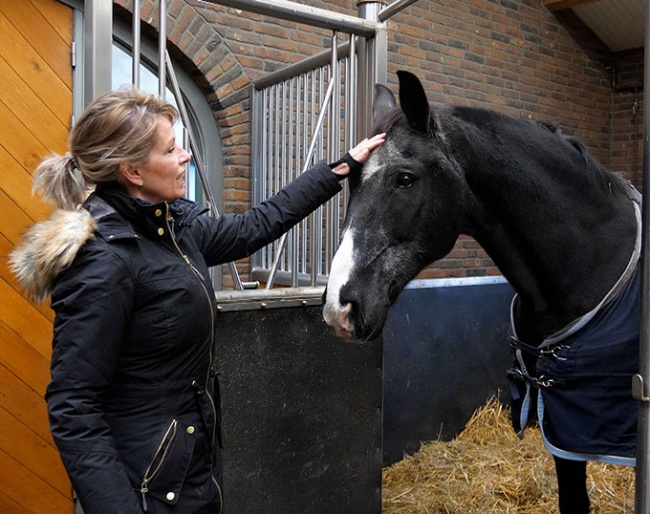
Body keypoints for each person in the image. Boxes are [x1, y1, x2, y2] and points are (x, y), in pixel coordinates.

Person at [9, 86, 385, 514]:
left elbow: (254, 227)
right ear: (132, 171)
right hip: (149, 485)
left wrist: (341, 167)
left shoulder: (171, 230)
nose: (186, 155)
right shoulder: (105, 261)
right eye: (171, 149)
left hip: (190, 460)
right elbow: (73, 406)